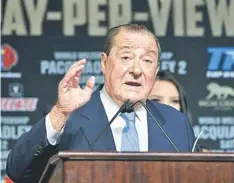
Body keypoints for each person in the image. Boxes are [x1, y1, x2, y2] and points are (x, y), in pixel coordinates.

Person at [6, 24, 197, 182]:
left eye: (147, 60)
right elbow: (19, 172)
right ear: (104, 63)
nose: (137, 70)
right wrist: (59, 114)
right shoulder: (69, 118)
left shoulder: (176, 123)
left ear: (155, 72)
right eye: (126, 57)